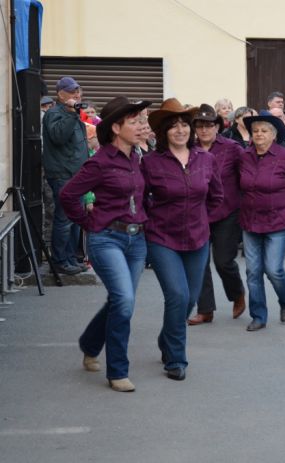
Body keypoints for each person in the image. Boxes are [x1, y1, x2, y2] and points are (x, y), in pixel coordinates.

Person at [59, 96, 152, 392]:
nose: (141, 126)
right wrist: (89, 224)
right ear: (116, 127)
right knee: (124, 300)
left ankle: (89, 343)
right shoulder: (99, 162)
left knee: (119, 300)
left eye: (142, 121)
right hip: (107, 239)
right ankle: (118, 371)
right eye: (135, 121)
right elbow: (68, 195)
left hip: (137, 241)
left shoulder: (139, 157)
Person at [142, 98, 223, 381]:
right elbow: (141, 201)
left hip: (198, 240)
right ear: (164, 132)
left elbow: (217, 197)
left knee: (188, 299)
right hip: (163, 239)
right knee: (177, 296)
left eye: (183, 125)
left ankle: (166, 339)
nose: (180, 130)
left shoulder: (206, 159)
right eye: (173, 126)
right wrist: (151, 225)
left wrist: (203, 221)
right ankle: (176, 359)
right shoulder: (150, 163)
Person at [239, 114, 285, 331]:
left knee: (273, 269)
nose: (259, 134)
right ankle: (258, 316)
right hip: (250, 221)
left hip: (277, 222)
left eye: (264, 130)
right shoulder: (244, 156)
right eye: (256, 130)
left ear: (274, 135)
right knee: (252, 271)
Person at [187, 104, 247, 325]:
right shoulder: (189, 149)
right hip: (197, 214)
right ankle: (205, 310)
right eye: (200, 126)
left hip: (227, 213)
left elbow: (247, 173)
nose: (204, 130)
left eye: (209, 125)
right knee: (199, 263)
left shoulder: (232, 148)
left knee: (223, 261)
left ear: (217, 127)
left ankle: (237, 293)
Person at [42, 76, 90, 275]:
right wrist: (71, 113)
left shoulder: (73, 114)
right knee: (64, 218)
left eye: (77, 91)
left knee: (74, 218)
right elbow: (59, 137)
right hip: (63, 174)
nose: (76, 94)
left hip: (75, 175)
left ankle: (71, 258)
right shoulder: (54, 113)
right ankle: (60, 260)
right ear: (60, 95)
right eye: (71, 92)